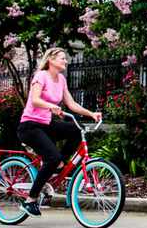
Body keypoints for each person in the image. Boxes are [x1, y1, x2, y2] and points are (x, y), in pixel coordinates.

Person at [17, 47, 100, 216]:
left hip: (46, 124)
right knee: (52, 158)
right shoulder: (41, 76)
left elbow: (71, 104)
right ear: (51, 60)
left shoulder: (61, 79)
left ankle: (59, 163)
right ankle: (30, 200)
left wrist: (91, 114)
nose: (65, 61)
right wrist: (51, 106)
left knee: (77, 130)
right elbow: (35, 100)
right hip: (30, 126)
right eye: (62, 58)